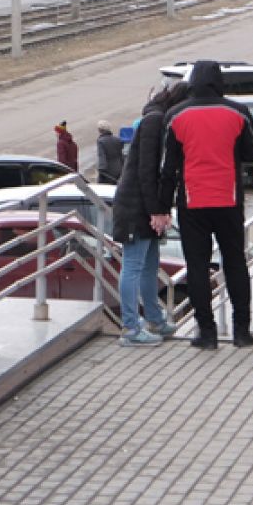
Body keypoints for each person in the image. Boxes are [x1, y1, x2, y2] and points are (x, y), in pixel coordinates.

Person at [162, 61, 253, 348]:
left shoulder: (175, 115)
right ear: (220, 82)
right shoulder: (237, 112)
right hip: (228, 199)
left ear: (192, 82)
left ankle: (206, 332)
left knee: (197, 267)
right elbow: (252, 153)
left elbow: (167, 169)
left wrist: (162, 205)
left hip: (192, 201)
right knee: (234, 263)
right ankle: (241, 331)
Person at [111, 83, 186, 346]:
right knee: (133, 265)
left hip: (143, 204)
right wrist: (156, 210)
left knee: (150, 264)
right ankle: (130, 327)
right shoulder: (154, 122)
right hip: (135, 205)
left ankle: (154, 317)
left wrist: (161, 209)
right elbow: (147, 170)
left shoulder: (157, 120)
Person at [95, 120, 124, 186]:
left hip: (108, 172)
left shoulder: (101, 141)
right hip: (119, 169)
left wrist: (101, 170)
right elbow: (121, 155)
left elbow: (102, 157)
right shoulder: (117, 139)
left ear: (100, 130)